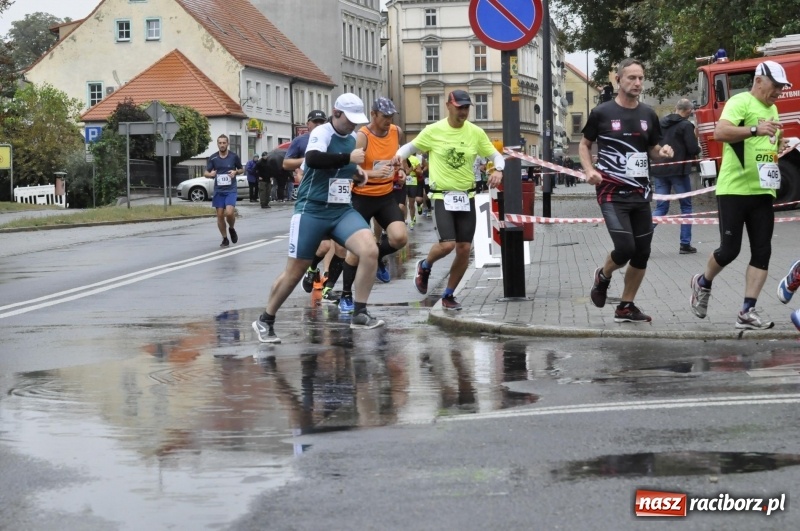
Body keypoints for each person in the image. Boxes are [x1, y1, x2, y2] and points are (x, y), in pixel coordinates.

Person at [252, 93, 383, 342]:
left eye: (356, 121)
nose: (353, 125)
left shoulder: (352, 139)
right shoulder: (322, 133)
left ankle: (360, 312)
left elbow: (345, 167)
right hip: (311, 210)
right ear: (336, 113)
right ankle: (265, 319)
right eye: (349, 119)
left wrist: (357, 173)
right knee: (295, 271)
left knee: (369, 250)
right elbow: (313, 159)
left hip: (341, 210)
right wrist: (348, 159)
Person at [689, 60, 791, 330]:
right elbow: (720, 132)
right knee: (729, 251)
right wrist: (756, 129)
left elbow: (766, 143)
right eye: (775, 86)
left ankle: (747, 311)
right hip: (734, 190)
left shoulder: (773, 109)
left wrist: (779, 144)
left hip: (763, 191)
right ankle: (702, 282)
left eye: (782, 87)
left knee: (762, 252)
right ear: (759, 81)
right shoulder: (740, 102)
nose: (779, 91)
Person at [579, 58, 674, 323]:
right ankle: (603, 275)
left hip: (640, 193)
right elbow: (584, 144)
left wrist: (663, 152)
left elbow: (653, 149)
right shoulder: (602, 113)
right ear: (618, 79)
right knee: (625, 248)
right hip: (611, 192)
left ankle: (625, 306)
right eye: (631, 77)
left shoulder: (648, 114)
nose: (637, 83)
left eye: (641, 78)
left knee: (642, 252)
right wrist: (589, 170)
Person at [393, 89, 504, 311]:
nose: (463, 112)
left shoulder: (476, 133)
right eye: (459, 107)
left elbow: (495, 155)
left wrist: (498, 170)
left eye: (466, 107)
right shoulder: (433, 130)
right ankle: (425, 266)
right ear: (448, 106)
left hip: (466, 196)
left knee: (464, 248)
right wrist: (398, 156)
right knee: (447, 244)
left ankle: (449, 294)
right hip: (442, 196)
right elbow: (410, 147)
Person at [337, 97, 409, 313]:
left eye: (391, 116)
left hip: (385, 196)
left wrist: (401, 170)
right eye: (385, 116)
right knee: (356, 251)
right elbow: (350, 171)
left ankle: (377, 256)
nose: (389, 120)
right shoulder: (363, 136)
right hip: (362, 197)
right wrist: (373, 173)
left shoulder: (396, 132)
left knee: (400, 238)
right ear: (373, 114)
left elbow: (400, 158)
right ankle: (346, 295)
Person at [284, 109, 336, 293]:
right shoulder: (301, 141)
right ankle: (311, 269)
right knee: (320, 245)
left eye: (322, 122)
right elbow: (286, 163)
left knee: (333, 243)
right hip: (310, 197)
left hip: (333, 195)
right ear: (308, 124)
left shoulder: (332, 138)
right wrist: (308, 159)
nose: (319, 125)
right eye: (315, 122)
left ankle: (327, 275)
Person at [651, 98, 701, 254]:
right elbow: (693, 149)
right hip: (679, 171)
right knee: (686, 206)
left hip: (659, 170)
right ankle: (685, 244)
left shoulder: (660, 122)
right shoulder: (686, 125)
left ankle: (641, 237)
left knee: (661, 207)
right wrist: (696, 139)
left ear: (676, 108)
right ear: (688, 111)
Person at [204, 134, 243, 247]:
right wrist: (210, 174)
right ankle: (225, 238)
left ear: (227, 144)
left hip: (230, 189)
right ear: (217, 144)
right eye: (220, 143)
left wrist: (235, 172)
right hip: (219, 190)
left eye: (224, 143)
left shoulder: (233, 156)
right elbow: (206, 173)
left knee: (229, 213)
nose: (222, 145)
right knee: (220, 215)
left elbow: (241, 169)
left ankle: (231, 228)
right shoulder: (213, 158)